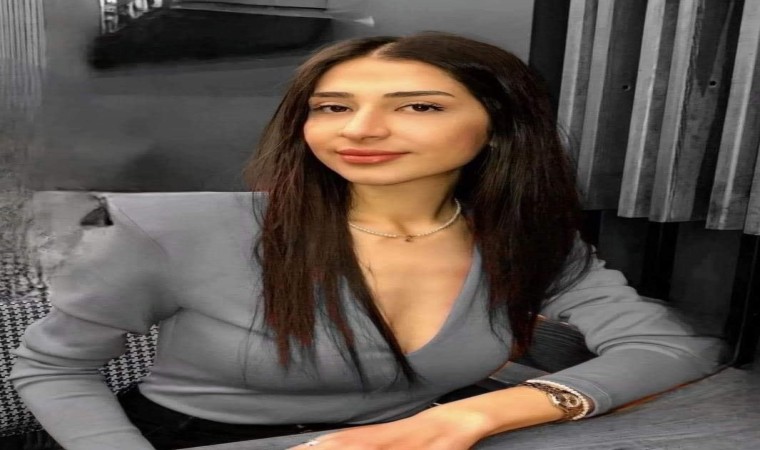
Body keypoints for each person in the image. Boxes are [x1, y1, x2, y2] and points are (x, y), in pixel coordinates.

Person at [10, 31, 726, 450]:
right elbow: (54, 369)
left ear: (499, 127)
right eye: (332, 107)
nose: (359, 130)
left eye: (417, 106)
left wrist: (480, 412)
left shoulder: (525, 239)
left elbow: (675, 347)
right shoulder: (173, 229)